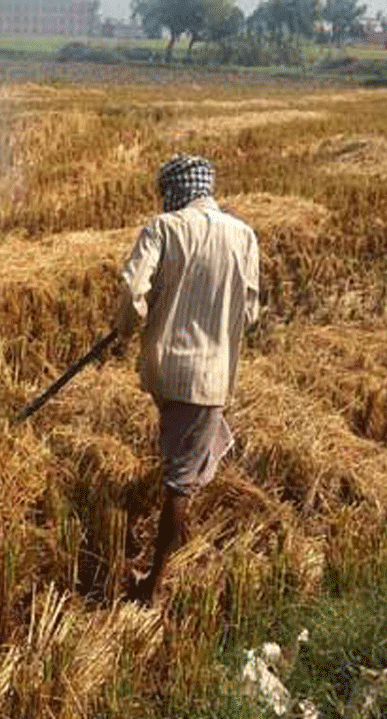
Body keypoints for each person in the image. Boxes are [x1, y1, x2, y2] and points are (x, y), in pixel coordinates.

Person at [114, 154, 260, 605]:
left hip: (165, 370)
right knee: (181, 473)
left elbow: (132, 290)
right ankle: (155, 585)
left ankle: (163, 558)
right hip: (209, 376)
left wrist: (125, 327)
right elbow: (250, 310)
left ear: (173, 190)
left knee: (189, 455)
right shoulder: (244, 235)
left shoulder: (163, 228)